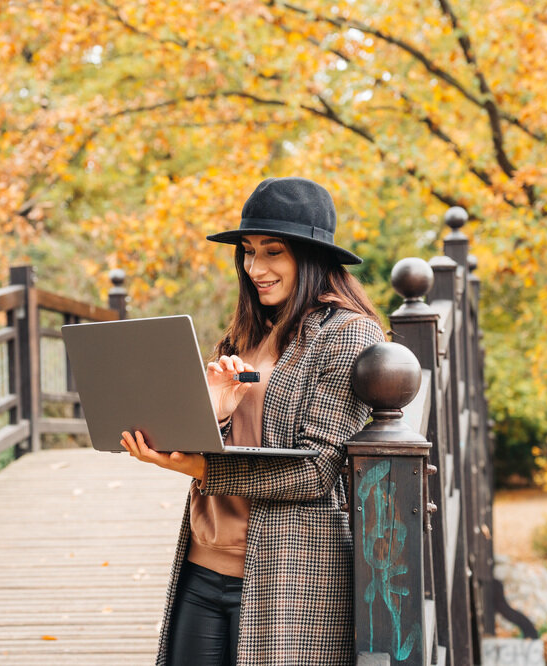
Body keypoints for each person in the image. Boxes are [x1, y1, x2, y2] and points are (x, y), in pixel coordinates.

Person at [119, 177, 384, 666]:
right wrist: (212, 415)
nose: (255, 267)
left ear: (312, 258)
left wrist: (199, 468)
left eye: (273, 252)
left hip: (288, 571)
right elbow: (233, 439)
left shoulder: (348, 334)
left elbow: (318, 469)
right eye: (247, 251)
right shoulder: (245, 331)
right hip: (203, 562)